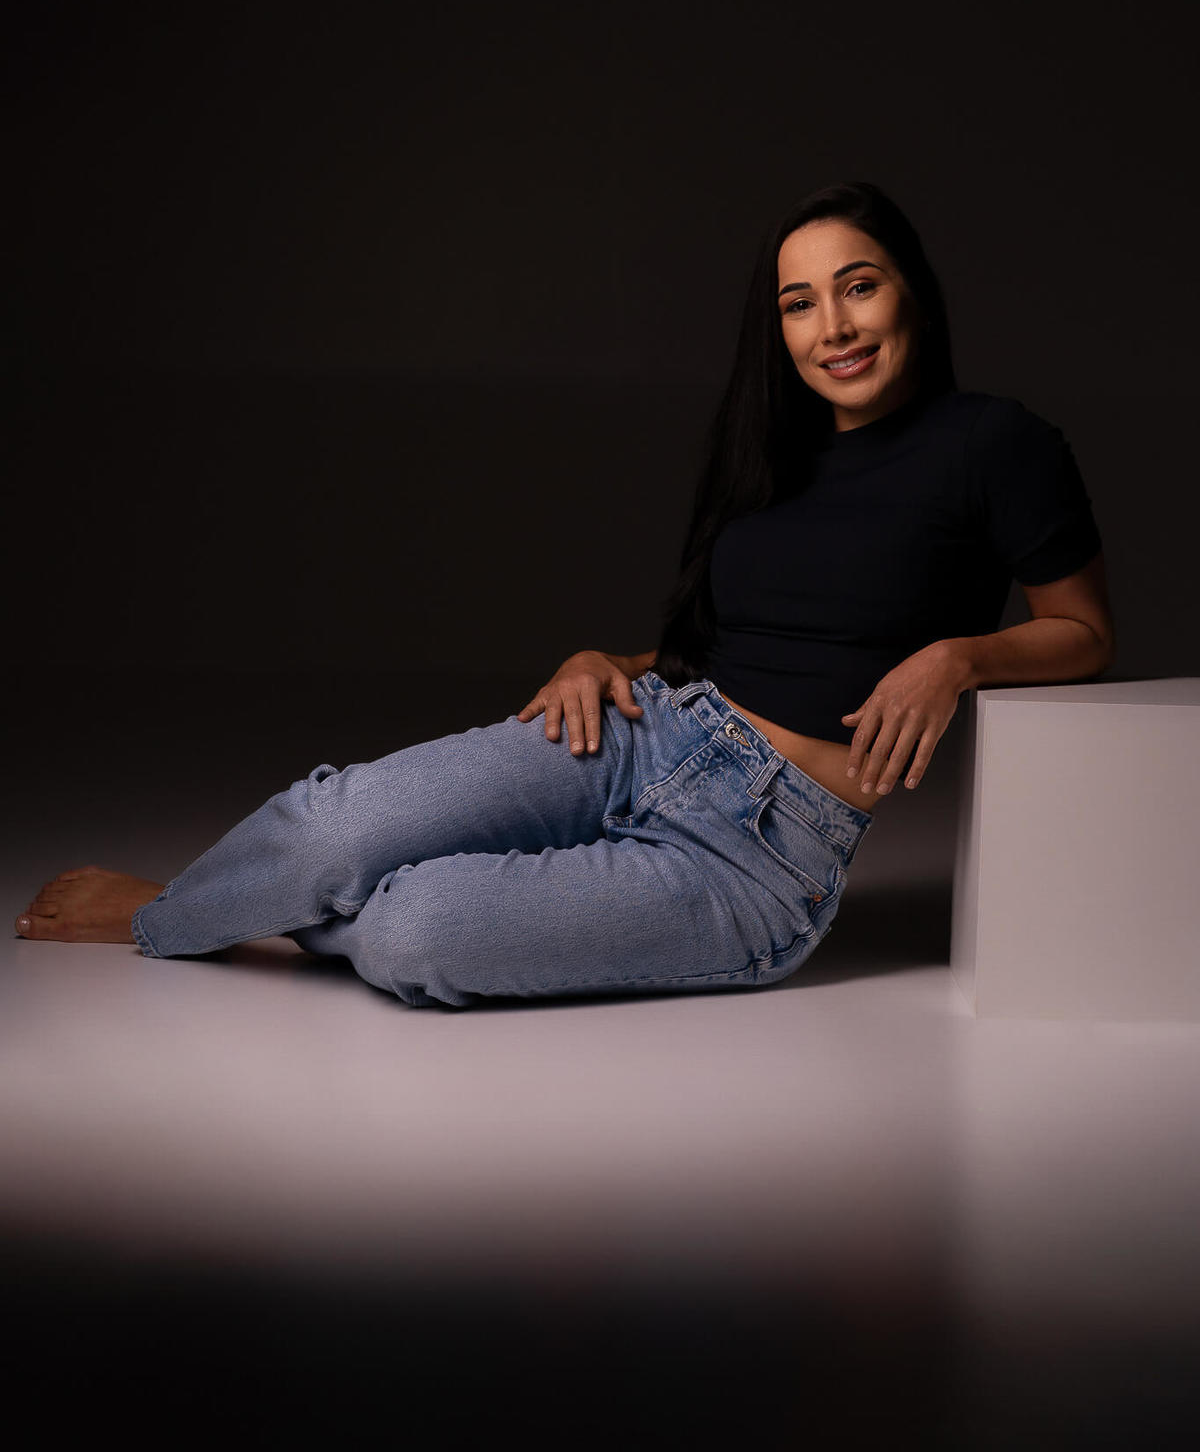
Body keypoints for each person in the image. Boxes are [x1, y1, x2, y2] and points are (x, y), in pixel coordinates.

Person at [14, 181, 1116, 1007]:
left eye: (858, 287)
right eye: (799, 303)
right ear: (776, 328)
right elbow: (728, 643)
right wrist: (610, 663)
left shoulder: (997, 444)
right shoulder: (769, 454)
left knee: (415, 936)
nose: (832, 328)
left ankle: (236, 916)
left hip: (761, 852)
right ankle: (183, 909)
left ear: (912, 288)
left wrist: (961, 657)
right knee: (332, 831)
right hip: (651, 730)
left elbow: (1083, 632)